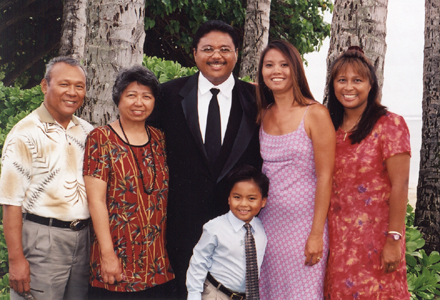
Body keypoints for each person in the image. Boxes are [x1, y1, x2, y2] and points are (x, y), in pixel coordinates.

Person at [152, 20, 262, 298]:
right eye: (208, 48)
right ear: (195, 53)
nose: (217, 56)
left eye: (225, 49)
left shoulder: (257, 99)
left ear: (237, 53)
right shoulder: (167, 96)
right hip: (179, 227)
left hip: (237, 230)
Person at [0, 56, 93, 300]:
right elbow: (11, 202)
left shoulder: (87, 131)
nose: (72, 92)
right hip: (42, 239)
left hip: (84, 240)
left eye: (79, 86)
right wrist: (16, 260)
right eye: (64, 84)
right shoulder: (24, 134)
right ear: (45, 86)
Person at [324, 46, 411, 299]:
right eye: (342, 80)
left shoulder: (390, 124)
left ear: (371, 84)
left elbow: (401, 186)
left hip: (378, 241)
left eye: (357, 80)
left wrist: (394, 240)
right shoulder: (330, 127)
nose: (348, 87)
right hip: (338, 243)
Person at [83, 66, 174, 299]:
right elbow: (96, 201)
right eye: (131, 95)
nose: (139, 103)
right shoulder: (100, 138)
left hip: (157, 262)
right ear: (118, 98)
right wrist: (107, 255)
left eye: (147, 96)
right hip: (117, 260)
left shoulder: (159, 138)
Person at [256, 40, 335, 299]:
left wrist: (316, 234)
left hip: (303, 228)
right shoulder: (263, 114)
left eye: (284, 65)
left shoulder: (315, 114)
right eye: (269, 65)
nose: (276, 71)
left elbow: (326, 177)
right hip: (267, 226)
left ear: (296, 70)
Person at [186, 165, 268, 300]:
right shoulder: (215, 227)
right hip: (216, 294)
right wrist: (194, 295)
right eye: (237, 197)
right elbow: (199, 262)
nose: (243, 204)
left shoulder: (260, 228)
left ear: (263, 201)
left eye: (251, 198)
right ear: (229, 198)